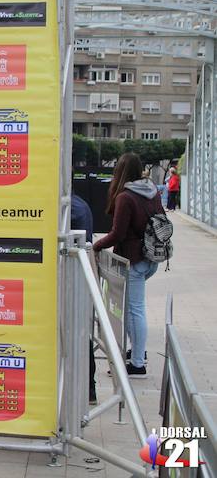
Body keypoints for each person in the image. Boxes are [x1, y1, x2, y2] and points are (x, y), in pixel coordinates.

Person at [92, 153, 163, 378]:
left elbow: (117, 234)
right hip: (151, 258)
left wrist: (96, 246)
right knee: (134, 309)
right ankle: (136, 352)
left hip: (133, 260)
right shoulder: (152, 191)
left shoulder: (125, 197)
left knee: (135, 311)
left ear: (119, 172)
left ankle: (138, 363)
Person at [70, 194, 97, 405]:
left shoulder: (67, 208)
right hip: (80, 279)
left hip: (66, 281)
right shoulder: (81, 204)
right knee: (82, 333)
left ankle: (84, 388)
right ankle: (89, 388)